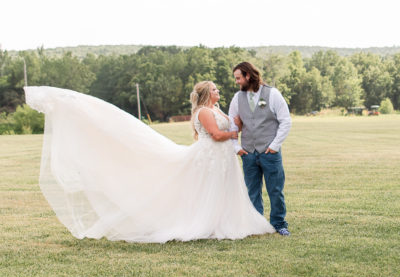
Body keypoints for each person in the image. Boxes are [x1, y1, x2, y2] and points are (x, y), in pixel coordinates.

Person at [24, 81, 275, 243]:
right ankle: (208, 223)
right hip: (209, 157)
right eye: (215, 90)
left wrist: (240, 124)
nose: (218, 92)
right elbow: (218, 135)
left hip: (221, 159)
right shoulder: (205, 112)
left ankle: (227, 219)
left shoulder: (218, 109)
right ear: (206, 94)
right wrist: (233, 134)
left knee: (222, 190)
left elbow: (231, 124)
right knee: (207, 191)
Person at [229, 62, 292, 236]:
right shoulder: (237, 98)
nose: (237, 82)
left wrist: (274, 146)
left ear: (248, 76)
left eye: (238, 78)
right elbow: (231, 124)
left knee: (275, 190)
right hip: (248, 152)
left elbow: (285, 121)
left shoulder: (272, 94)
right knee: (252, 191)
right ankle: (256, 225)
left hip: (269, 152)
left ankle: (279, 223)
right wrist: (236, 147)